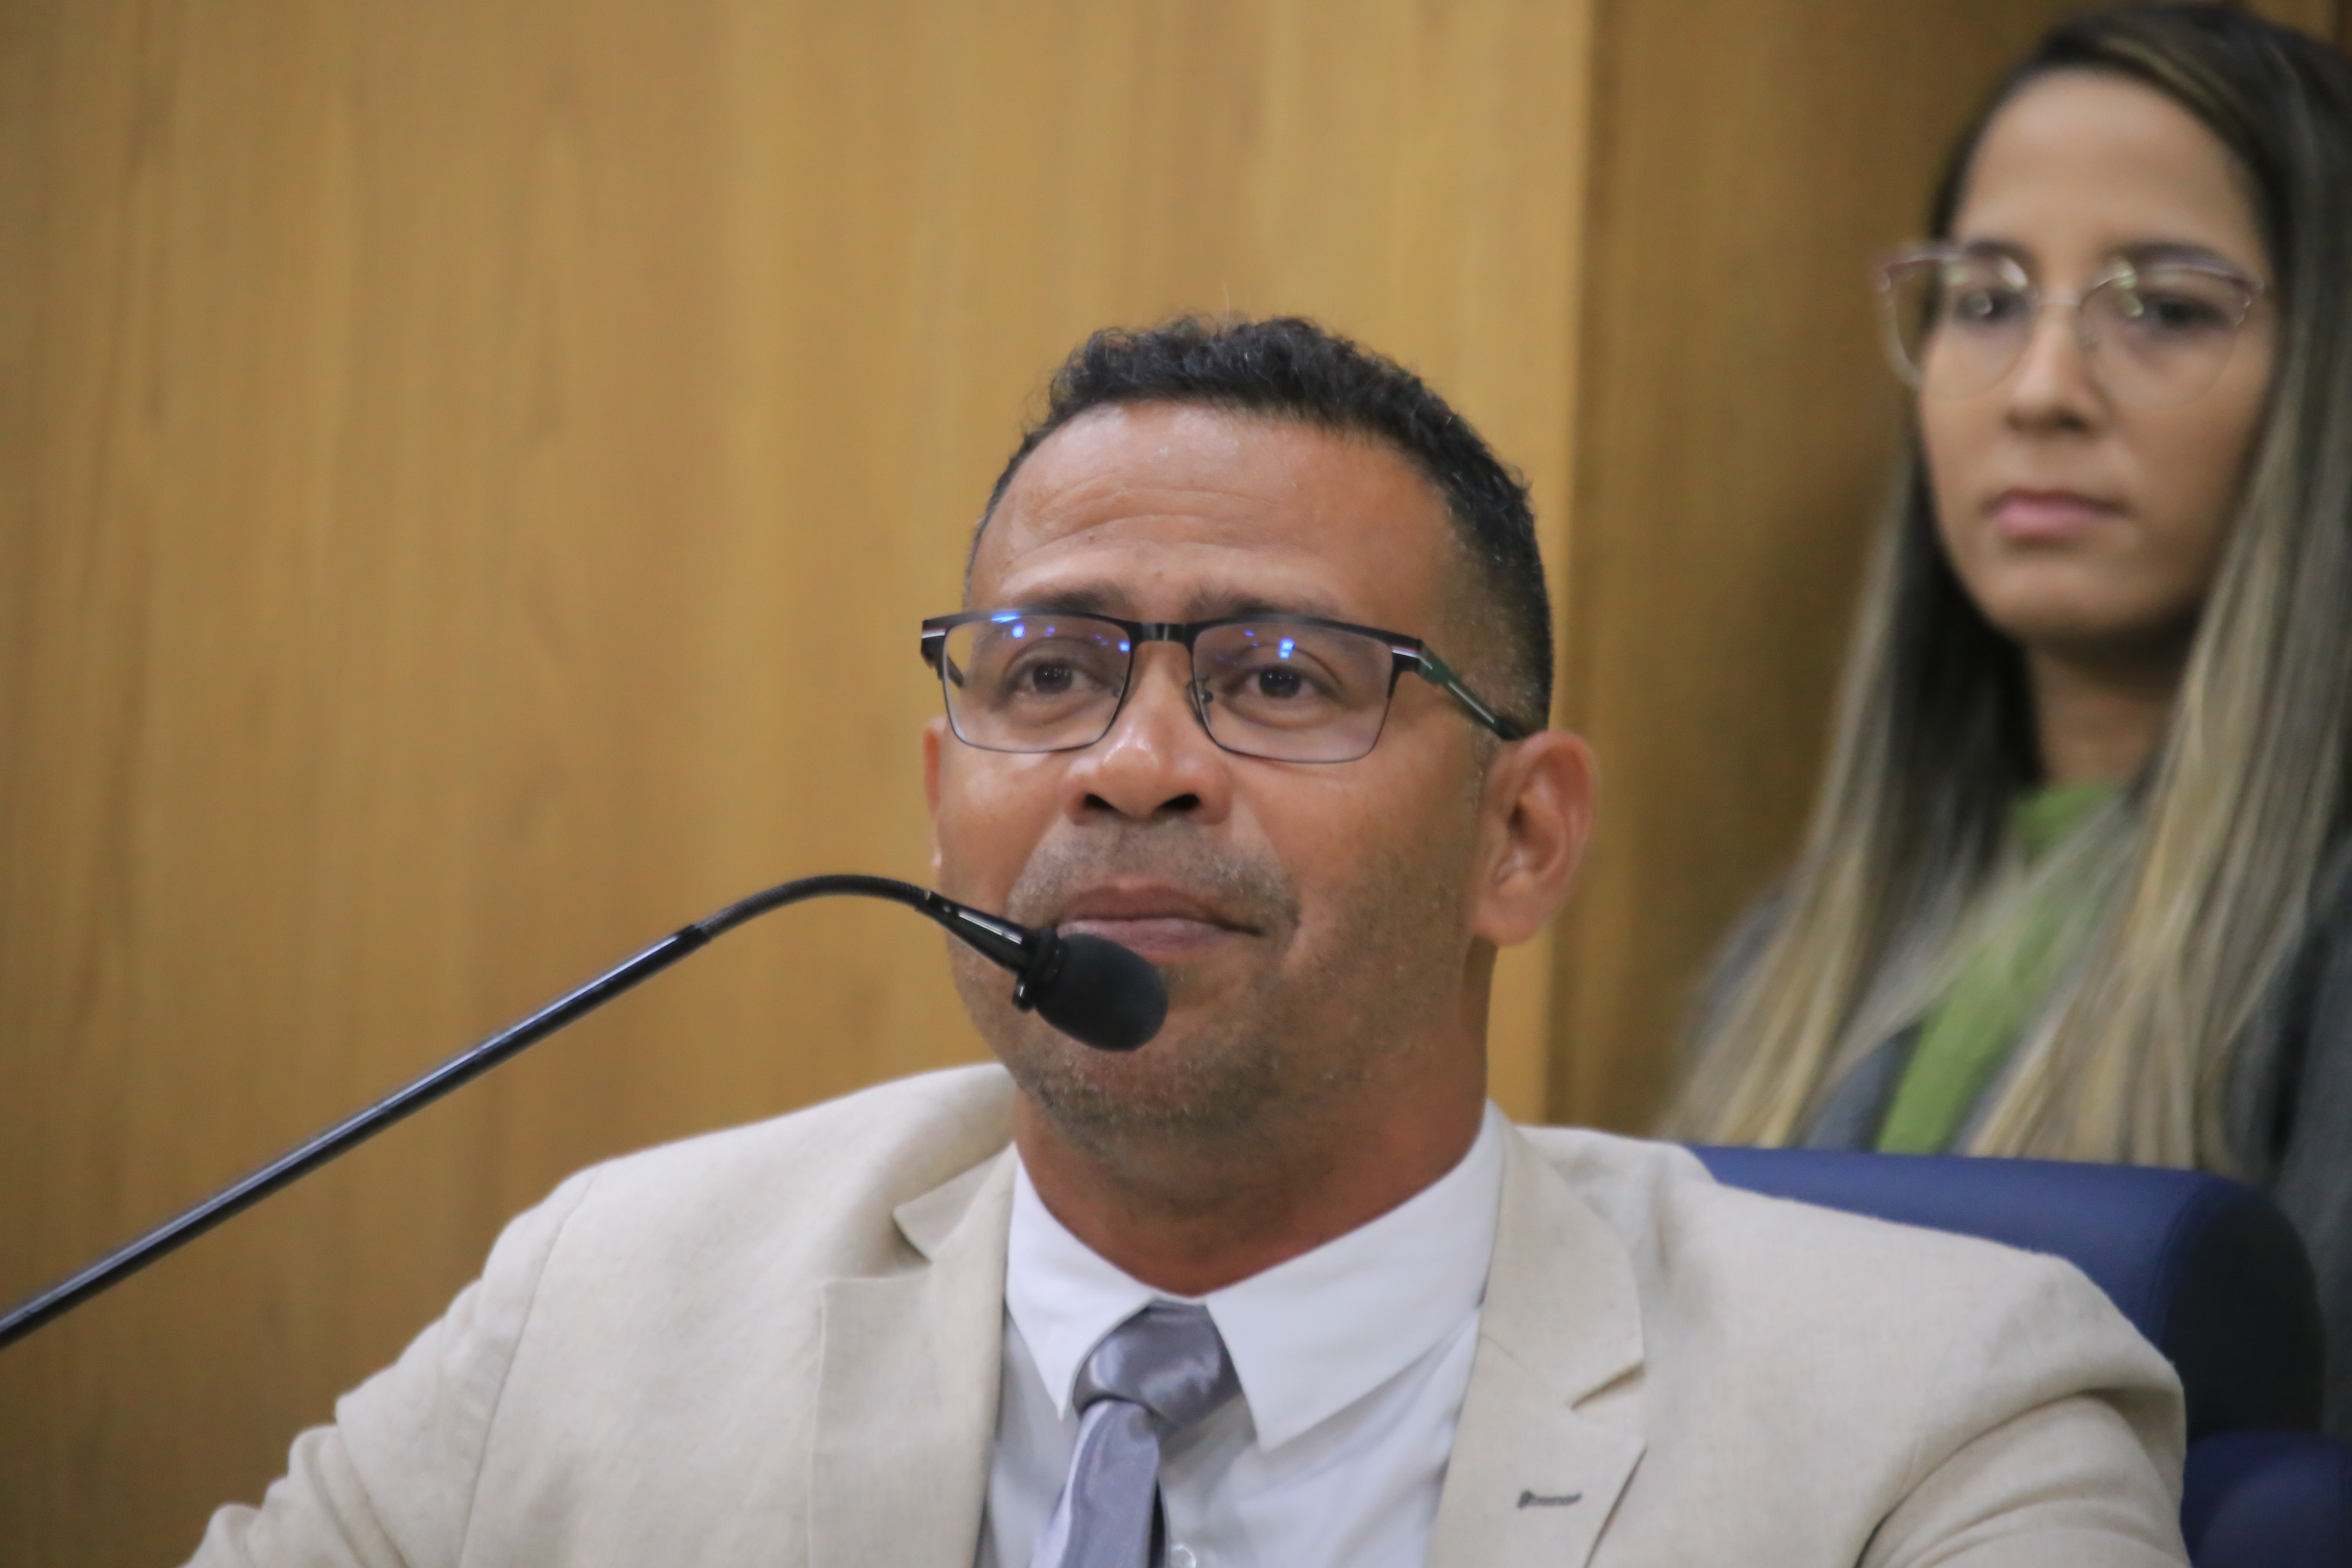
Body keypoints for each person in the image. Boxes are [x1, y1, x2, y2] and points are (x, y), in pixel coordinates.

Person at [189, 316, 2186, 1567]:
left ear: (1521, 838)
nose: (1131, 765)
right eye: (1049, 674)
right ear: (944, 798)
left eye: (1285, 676)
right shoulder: (605, 1310)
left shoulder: (1927, 1422)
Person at [1668, 3, 2352, 1436]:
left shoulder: (2320, 950)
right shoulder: (1783, 956)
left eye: (2164, 308)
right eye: (1985, 301)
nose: (2041, 390)